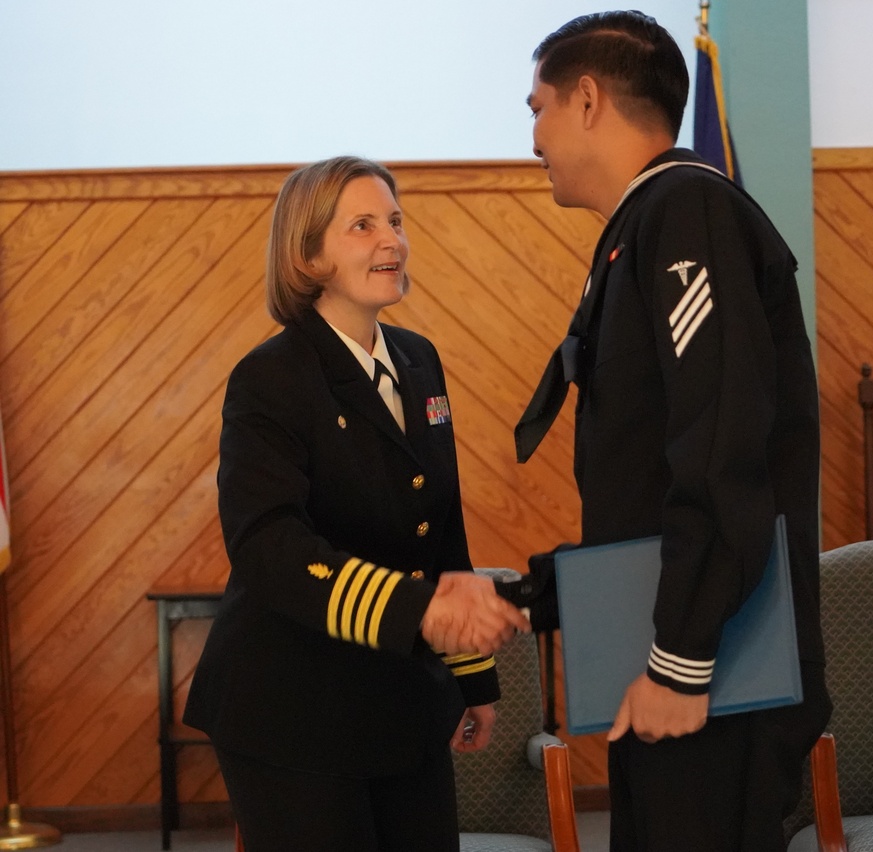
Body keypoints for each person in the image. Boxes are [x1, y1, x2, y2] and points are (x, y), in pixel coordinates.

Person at [512, 11, 833, 851]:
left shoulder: (688, 208)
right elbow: (647, 482)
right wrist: (537, 594)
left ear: (588, 100)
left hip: (711, 672)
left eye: (538, 108)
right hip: (673, 656)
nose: (533, 137)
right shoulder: (643, 225)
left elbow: (721, 444)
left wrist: (681, 663)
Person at [183, 156, 530, 852]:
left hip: (402, 698)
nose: (392, 240)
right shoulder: (270, 378)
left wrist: (472, 678)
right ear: (308, 255)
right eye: (363, 226)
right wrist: (420, 611)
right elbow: (269, 548)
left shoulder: (419, 360)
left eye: (396, 221)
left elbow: (440, 531)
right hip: (292, 707)